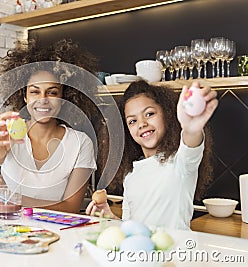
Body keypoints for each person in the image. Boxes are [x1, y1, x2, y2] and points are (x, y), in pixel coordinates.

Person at [0, 39, 107, 213]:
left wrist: (10, 195)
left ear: (64, 97)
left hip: (57, 233)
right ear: (24, 96)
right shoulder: (11, 131)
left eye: (52, 92)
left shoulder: (80, 143)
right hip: (8, 227)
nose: (43, 99)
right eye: (34, 91)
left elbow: (70, 208)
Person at [86, 80, 218, 230]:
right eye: (132, 121)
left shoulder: (180, 163)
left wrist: (191, 128)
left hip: (175, 252)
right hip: (141, 252)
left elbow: (191, 144)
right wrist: (110, 218)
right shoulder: (130, 175)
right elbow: (131, 227)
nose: (142, 123)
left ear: (167, 114)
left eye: (149, 114)